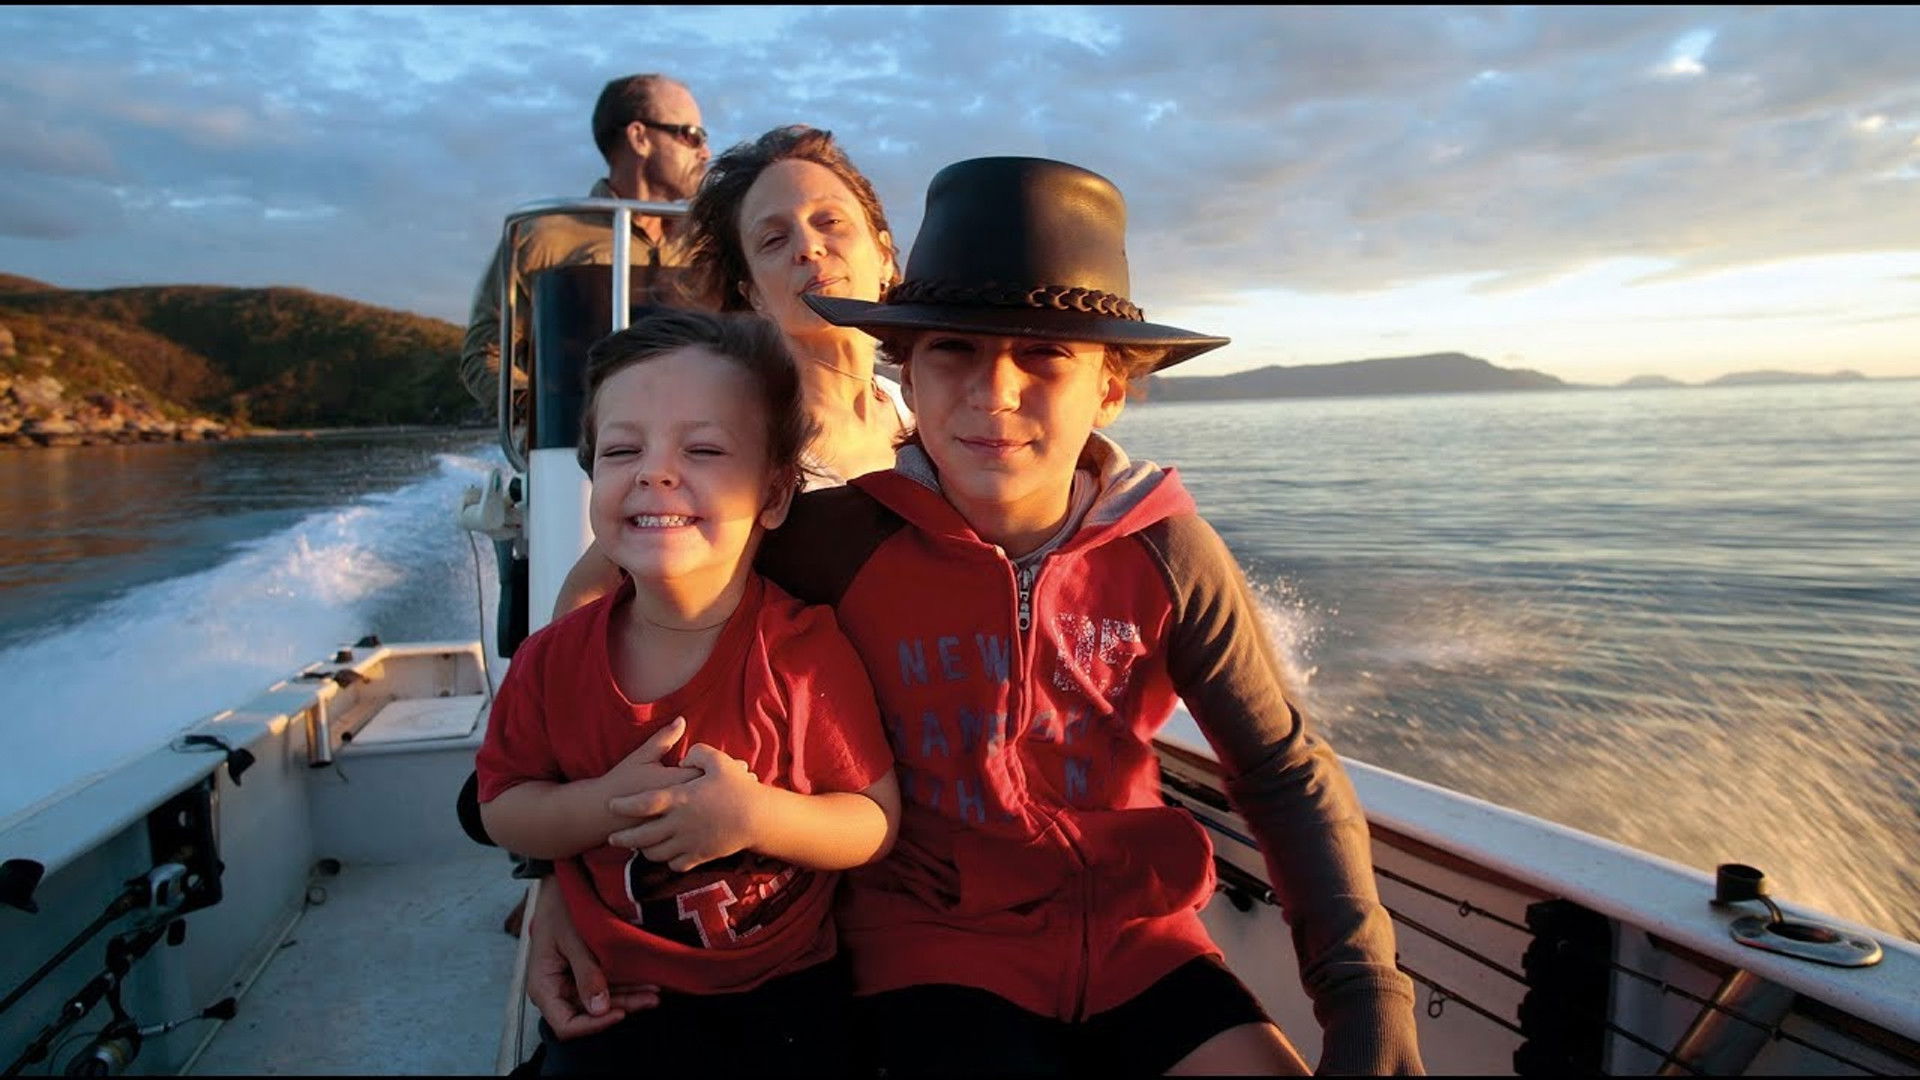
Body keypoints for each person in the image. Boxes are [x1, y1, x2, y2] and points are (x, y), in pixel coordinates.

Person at [523, 157, 1425, 1074]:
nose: (994, 392)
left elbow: (1280, 772)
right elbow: (618, 605)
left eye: (1044, 356)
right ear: (909, 377)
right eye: (954, 349)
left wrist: (1365, 993)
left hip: (1141, 941)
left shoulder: (1169, 552)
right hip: (928, 949)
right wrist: (566, 872)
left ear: (1110, 389)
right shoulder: (837, 537)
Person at [473, 309, 901, 1074]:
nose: (655, 472)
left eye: (702, 449)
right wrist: (604, 805)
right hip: (618, 992)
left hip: (787, 994)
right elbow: (503, 809)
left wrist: (756, 816)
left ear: (774, 495)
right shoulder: (550, 662)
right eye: (622, 450)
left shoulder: (805, 654)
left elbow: (871, 820)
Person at [458, 73, 713, 412]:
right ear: (639, 137)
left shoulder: (707, 244)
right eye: (692, 135)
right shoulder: (542, 235)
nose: (705, 152)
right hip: (580, 438)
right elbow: (486, 352)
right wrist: (537, 417)